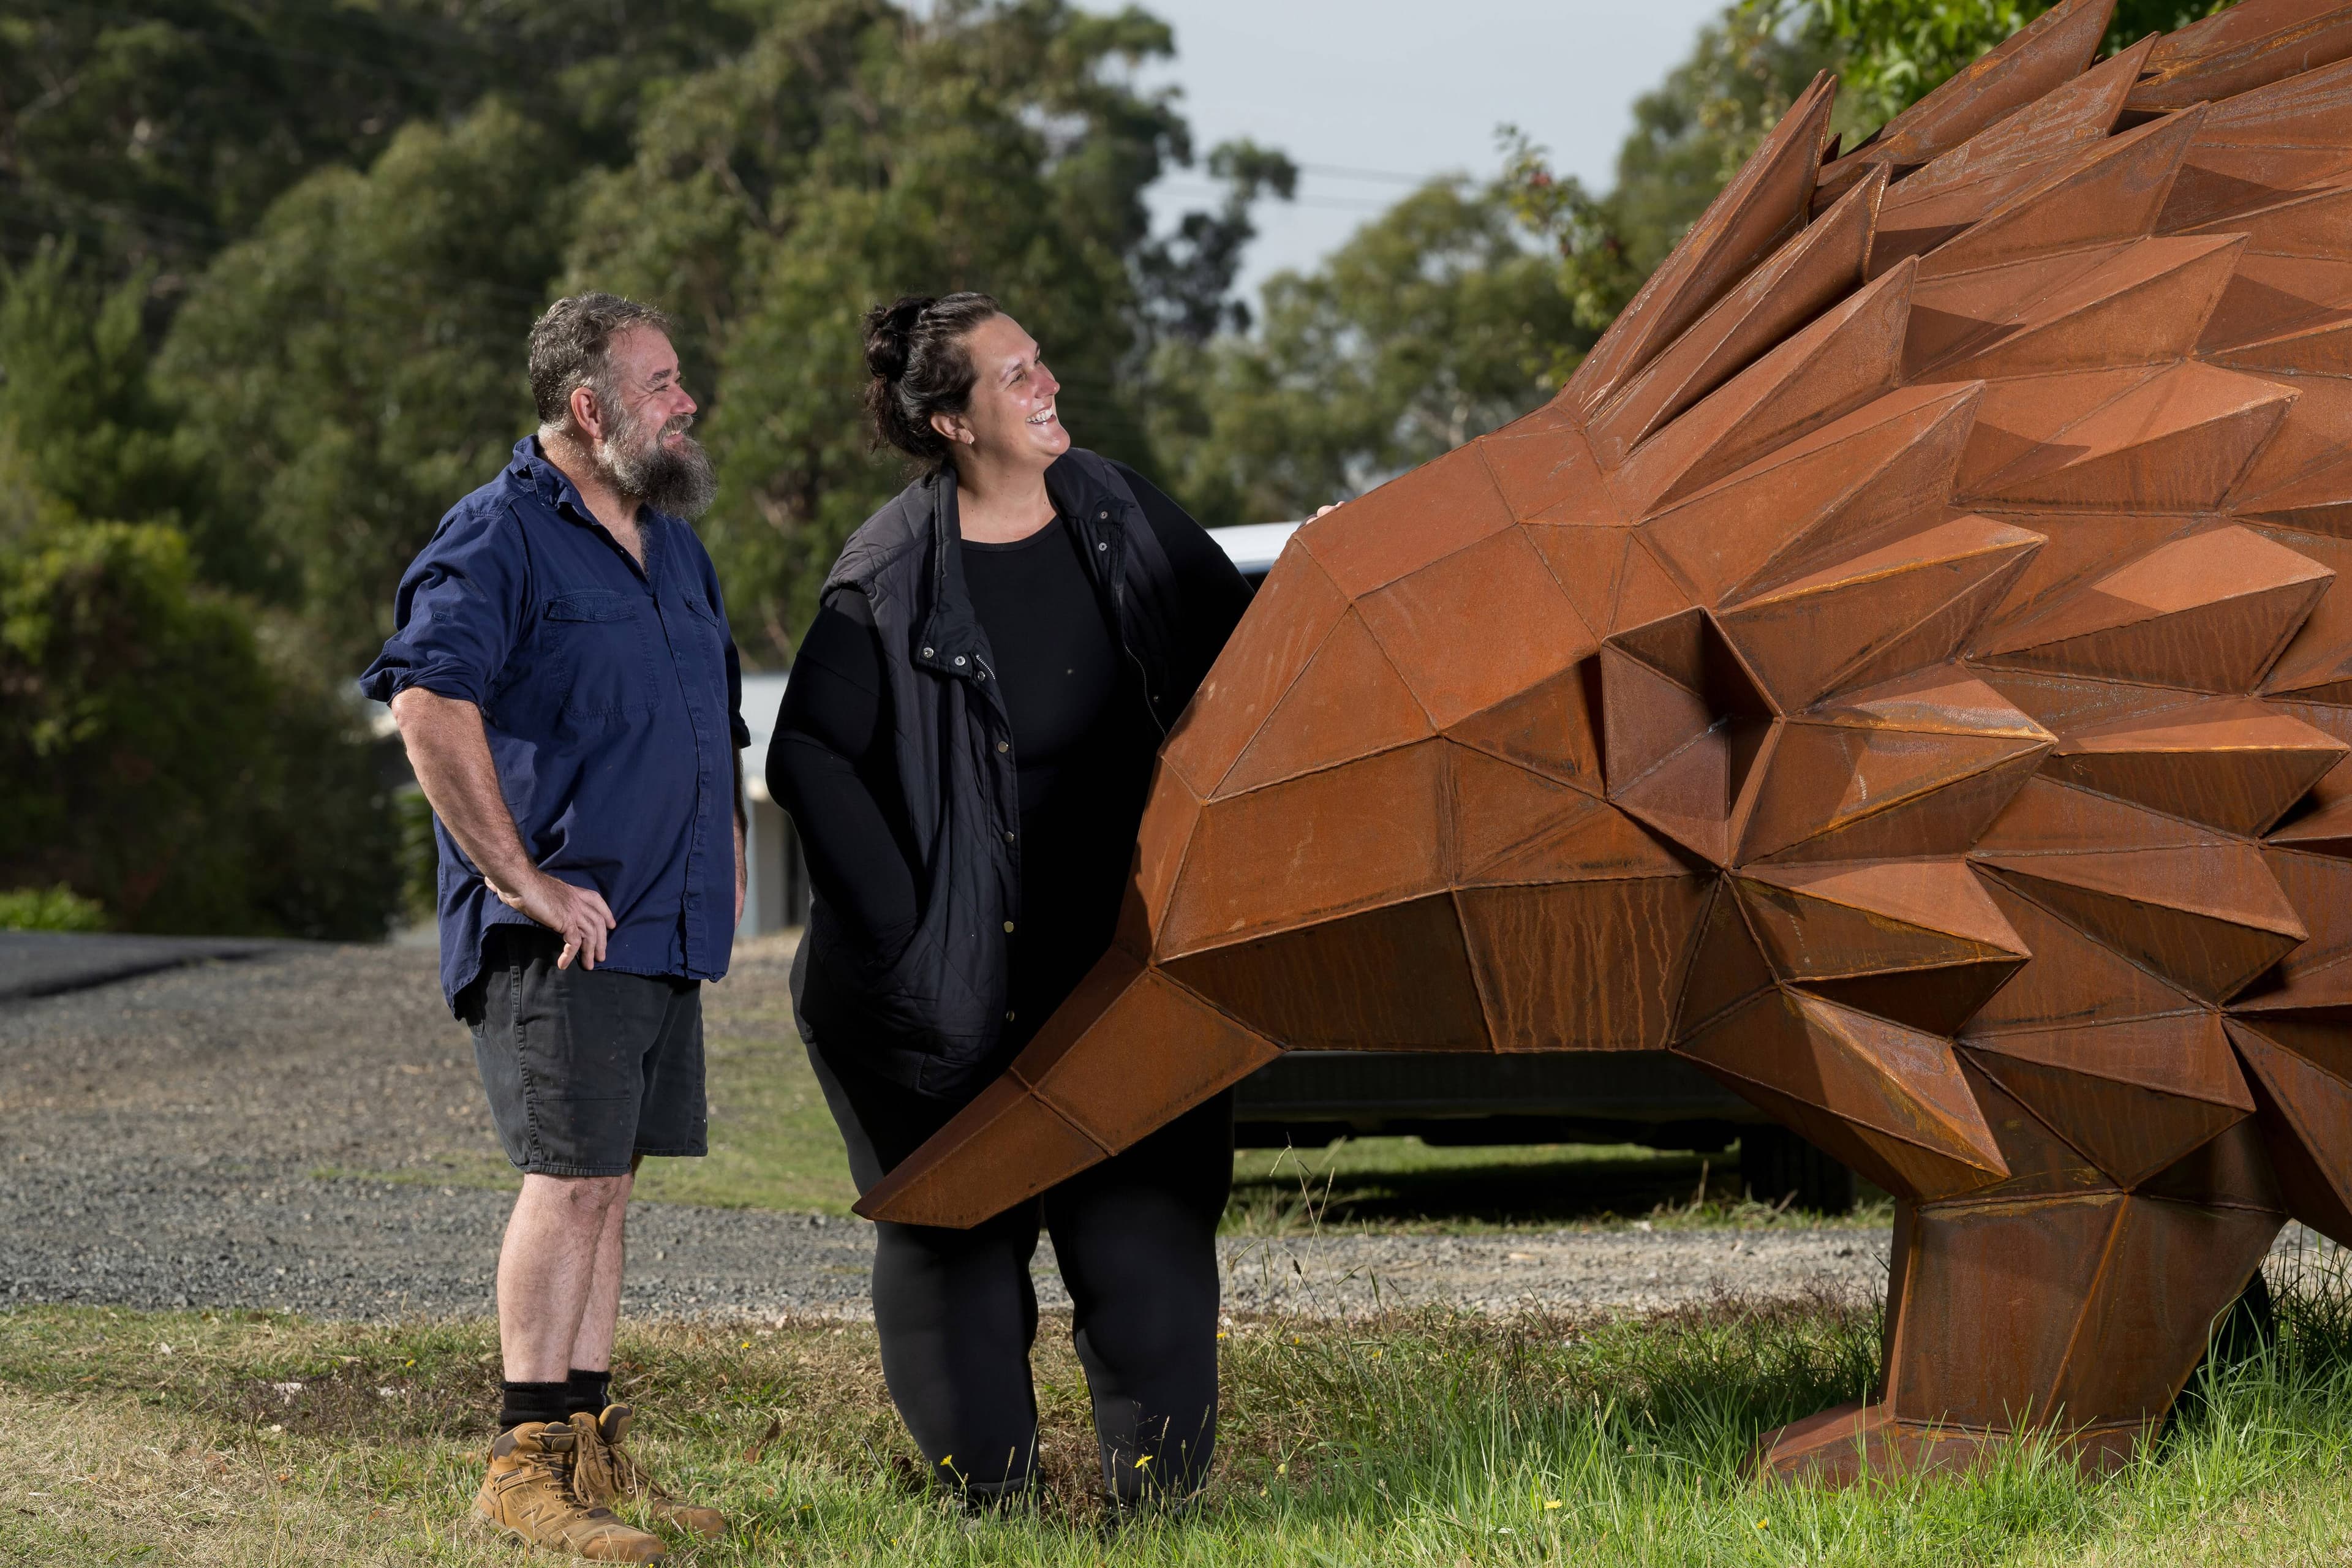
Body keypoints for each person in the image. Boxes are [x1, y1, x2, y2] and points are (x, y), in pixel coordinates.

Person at [768, 293, 1254, 1509]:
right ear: (951, 420)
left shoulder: (1119, 509)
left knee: (1146, 1241)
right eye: (1013, 374)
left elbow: (1247, 646)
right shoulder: (887, 576)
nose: (1045, 384)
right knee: (962, 1249)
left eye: (1042, 360)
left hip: (1118, 969)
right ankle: (996, 1510)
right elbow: (807, 761)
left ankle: (1154, 1513)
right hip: (941, 988)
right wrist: (900, 932)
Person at [361, 292, 745, 1564]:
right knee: (567, 1179)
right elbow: (427, 701)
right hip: (560, 935)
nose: (686, 400)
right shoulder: (499, 533)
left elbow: (712, 718)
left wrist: (728, 854)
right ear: (592, 407)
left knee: (609, 1186)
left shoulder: (673, 542)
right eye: (663, 381)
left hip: (656, 927)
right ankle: (521, 1463)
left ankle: (587, 1442)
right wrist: (519, 876)